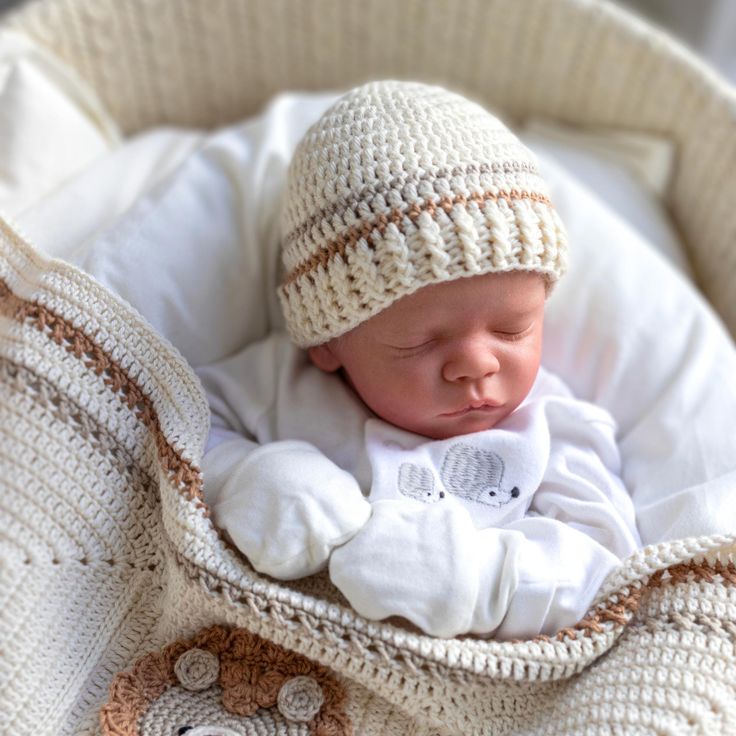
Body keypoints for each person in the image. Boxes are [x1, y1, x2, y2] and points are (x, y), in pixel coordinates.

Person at [196, 80, 642, 640]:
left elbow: (607, 567)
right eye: (421, 343)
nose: (477, 365)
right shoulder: (282, 386)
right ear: (328, 341)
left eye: (513, 328)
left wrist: (474, 581)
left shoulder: (556, 429)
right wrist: (250, 475)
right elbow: (184, 419)